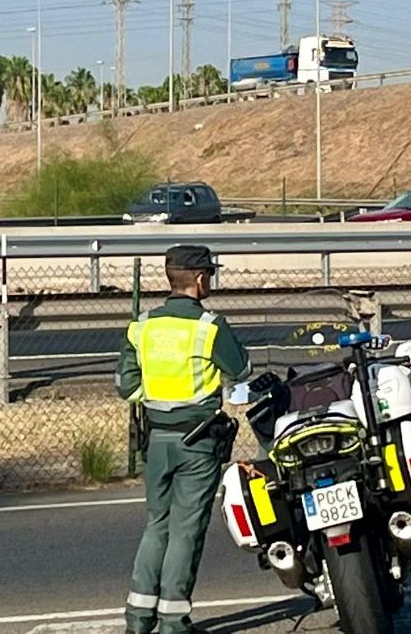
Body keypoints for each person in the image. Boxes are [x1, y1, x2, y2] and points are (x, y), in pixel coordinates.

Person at [117, 245, 252, 634]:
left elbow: (126, 384)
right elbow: (241, 369)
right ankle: (174, 621)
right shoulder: (208, 326)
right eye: (209, 273)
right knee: (186, 529)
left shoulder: (143, 325)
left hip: (157, 439)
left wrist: (159, 401)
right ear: (199, 279)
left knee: (156, 525)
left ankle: (138, 619)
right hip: (198, 441)